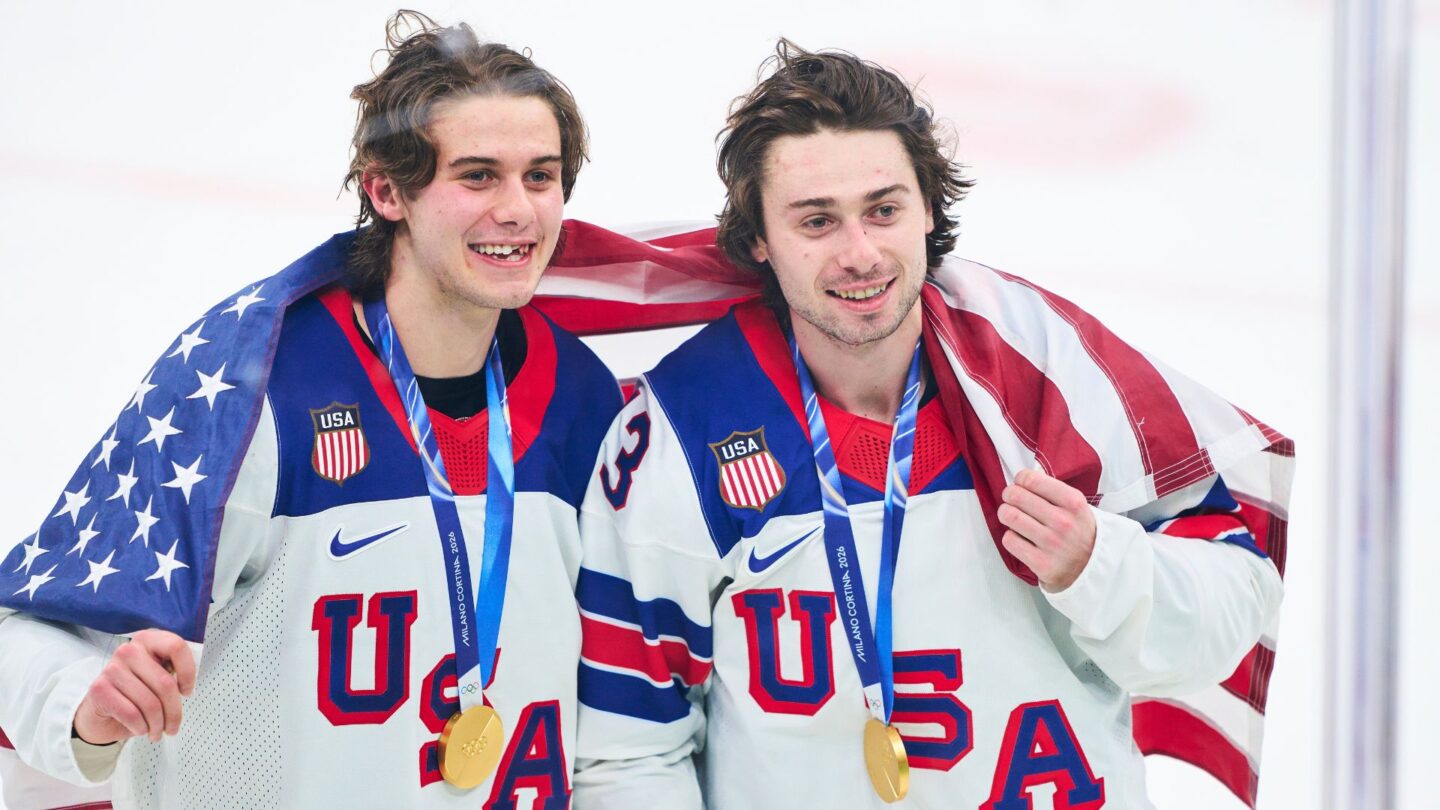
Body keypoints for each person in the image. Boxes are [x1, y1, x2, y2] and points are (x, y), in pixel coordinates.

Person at [572, 42, 1291, 809]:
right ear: (759, 239)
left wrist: (1097, 564)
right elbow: (631, 750)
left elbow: (1229, 614)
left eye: (884, 211)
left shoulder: (1041, 377)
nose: (860, 253)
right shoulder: (685, 429)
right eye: (817, 221)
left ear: (927, 210)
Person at [0, 12, 621, 807]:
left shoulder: (582, 397)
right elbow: (30, 629)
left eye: (540, 176)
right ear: (386, 190)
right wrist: (86, 707)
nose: (519, 210)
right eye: (477, 176)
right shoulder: (250, 385)